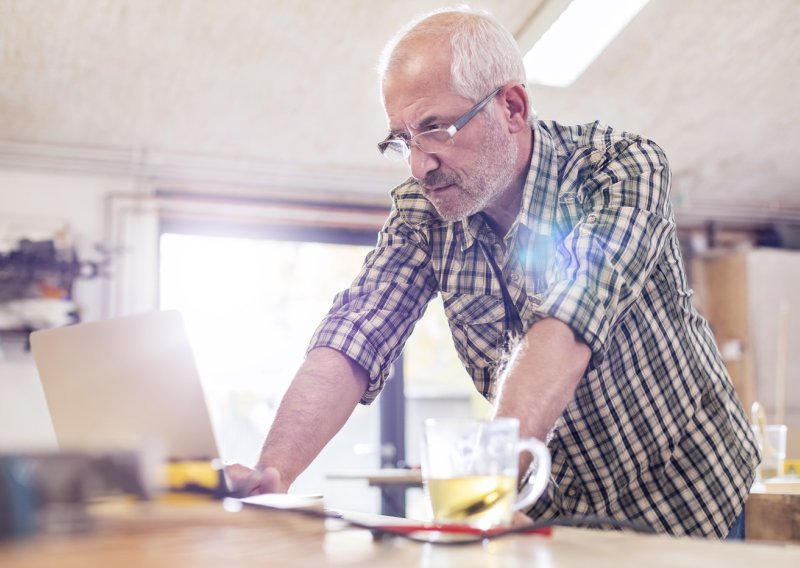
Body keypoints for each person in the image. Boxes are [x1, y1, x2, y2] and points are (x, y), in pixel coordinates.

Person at [227, 7, 759, 538]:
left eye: (434, 128)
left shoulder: (621, 169)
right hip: (557, 514)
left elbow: (568, 322)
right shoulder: (423, 212)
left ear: (511, 107)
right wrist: (274, 472)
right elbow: (357, 332)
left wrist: (485, 485)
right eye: (403, 140)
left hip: (691, 500)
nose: (419, 164)